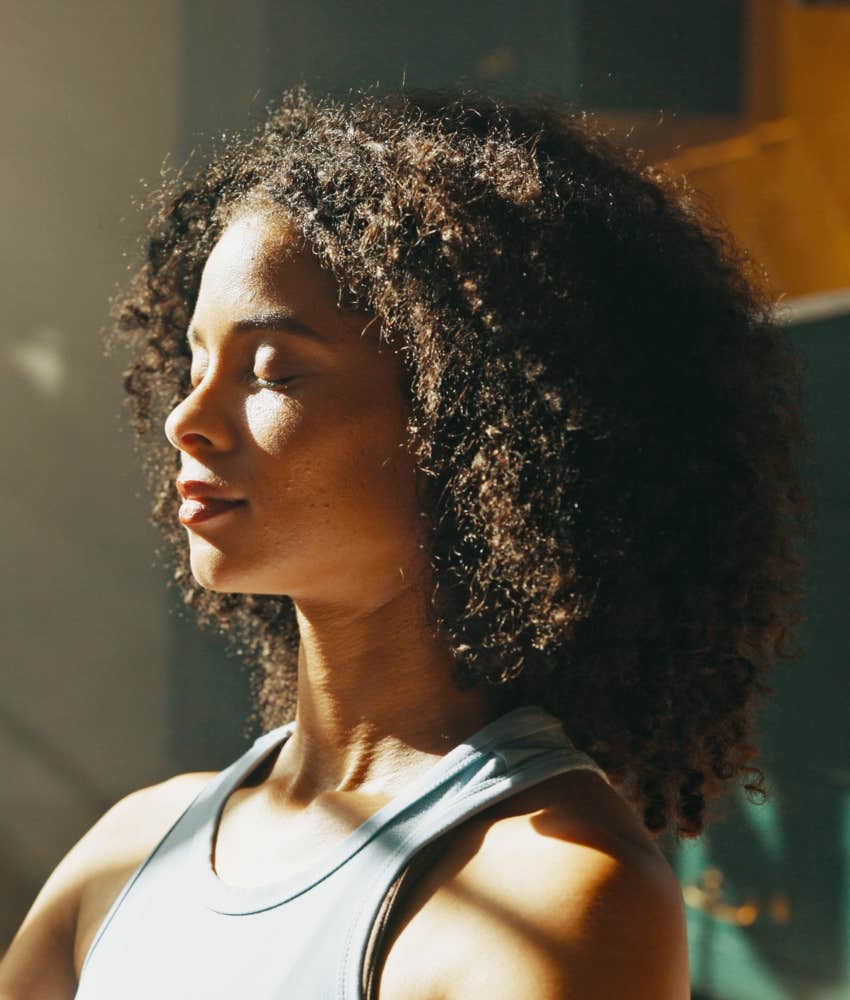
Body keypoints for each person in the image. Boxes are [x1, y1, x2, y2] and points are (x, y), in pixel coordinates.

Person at [0, 84, 809, 999]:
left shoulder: (553, 896)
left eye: (275, 372)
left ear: (473, 420)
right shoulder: (131, 850)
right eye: (194, 363)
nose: (189, 418)